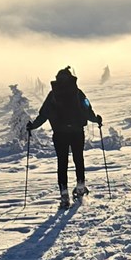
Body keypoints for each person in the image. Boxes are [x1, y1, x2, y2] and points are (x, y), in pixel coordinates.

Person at [28, 67, 103, 207]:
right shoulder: (77, 93)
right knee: (78, 159)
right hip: (76, 132)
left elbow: (44, 114)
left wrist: (32, 126)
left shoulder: (53, 95)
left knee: (62, 164)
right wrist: (96, 120)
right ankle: (80, 187)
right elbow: (87, 110)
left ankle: (64, 195)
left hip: (60, 134)